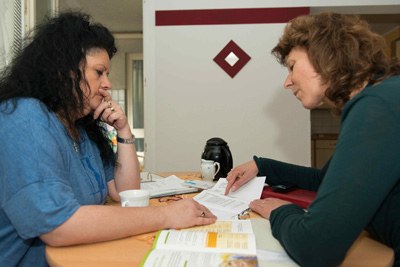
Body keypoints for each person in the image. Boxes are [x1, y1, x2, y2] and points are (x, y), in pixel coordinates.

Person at [0, 11, 216, 266]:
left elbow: (124, 192)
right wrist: (166, 215)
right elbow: (59, 226)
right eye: (99, 72)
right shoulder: (24, 117)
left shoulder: (80, 127)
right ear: (64, 72)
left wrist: (123, 130)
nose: (107, 84)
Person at [225, 12, 400, 267]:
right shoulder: (383, 96)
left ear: (325, 54)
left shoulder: (376, 107)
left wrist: (280, 212)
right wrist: (262, 166)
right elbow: (327, 181)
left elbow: (315, 247)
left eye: (292, 65)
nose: (287, 82)